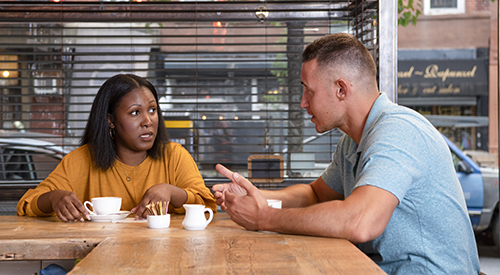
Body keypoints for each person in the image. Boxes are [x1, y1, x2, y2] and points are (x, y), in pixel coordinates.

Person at [212, 33, 480, 274]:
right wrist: (257, 197)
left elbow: (361, 221)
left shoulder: (398, 131)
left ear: (341, 89)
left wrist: (264, 218)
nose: (303, 102)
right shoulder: (352, 141)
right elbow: (315, 194)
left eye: (309, 90)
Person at [17, 74, 216, 222]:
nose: (148, 121)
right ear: (110, 120)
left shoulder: (174, 156)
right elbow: (27, 204)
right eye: (135, 112)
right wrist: (54, 198)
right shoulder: (82, 160)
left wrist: (171, 192)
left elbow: (207, 205)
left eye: (152, 110)